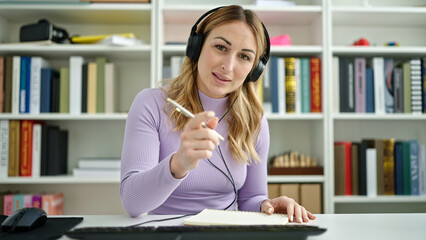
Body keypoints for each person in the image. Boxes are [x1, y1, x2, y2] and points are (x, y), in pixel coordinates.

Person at [120, 5, 316, 223]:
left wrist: (266, 205)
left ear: (254, 69)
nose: (228, 66)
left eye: (244, 56)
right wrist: (179, 163)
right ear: (197, 47)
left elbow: (251, 197)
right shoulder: (151, 104)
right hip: (166, 231)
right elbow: (132, 203)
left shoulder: (254, 119)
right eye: (221, 47)